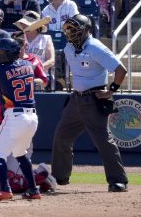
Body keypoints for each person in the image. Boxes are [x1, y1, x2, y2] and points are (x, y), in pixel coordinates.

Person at [52, 14, 129, 192]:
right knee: (62, 136)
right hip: (76, 99)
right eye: (68, 30)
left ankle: (119, 180)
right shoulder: (69, 48)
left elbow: (120, 69)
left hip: (95, 99)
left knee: (103, 141)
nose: (70, 34)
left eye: (74, 30)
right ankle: (59, 177)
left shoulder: (96, 47)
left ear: (86, 30)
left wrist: (112, 90)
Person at [0, 37, 41, 201]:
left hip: (15, 115)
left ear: (10, 53)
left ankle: (5, 189)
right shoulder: (28, 66)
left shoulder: (2, 70)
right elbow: (12, 63)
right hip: (32, 117)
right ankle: (34, 190)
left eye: (1, 51)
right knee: (21, 154)